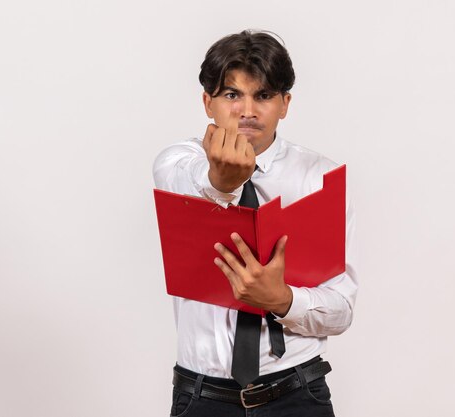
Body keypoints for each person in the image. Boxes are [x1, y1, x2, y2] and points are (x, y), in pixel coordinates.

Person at [152, 29, 357, 416]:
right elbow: (188, 184)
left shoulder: (320, 179)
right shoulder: (178, 162)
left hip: (298, 393)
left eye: (263, 95)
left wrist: (283, 300)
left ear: (285, 104)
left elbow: (342, 309)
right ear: (207, 102)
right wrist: (221, 185)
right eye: (232, 94)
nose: (248, 110)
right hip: (202, 399)